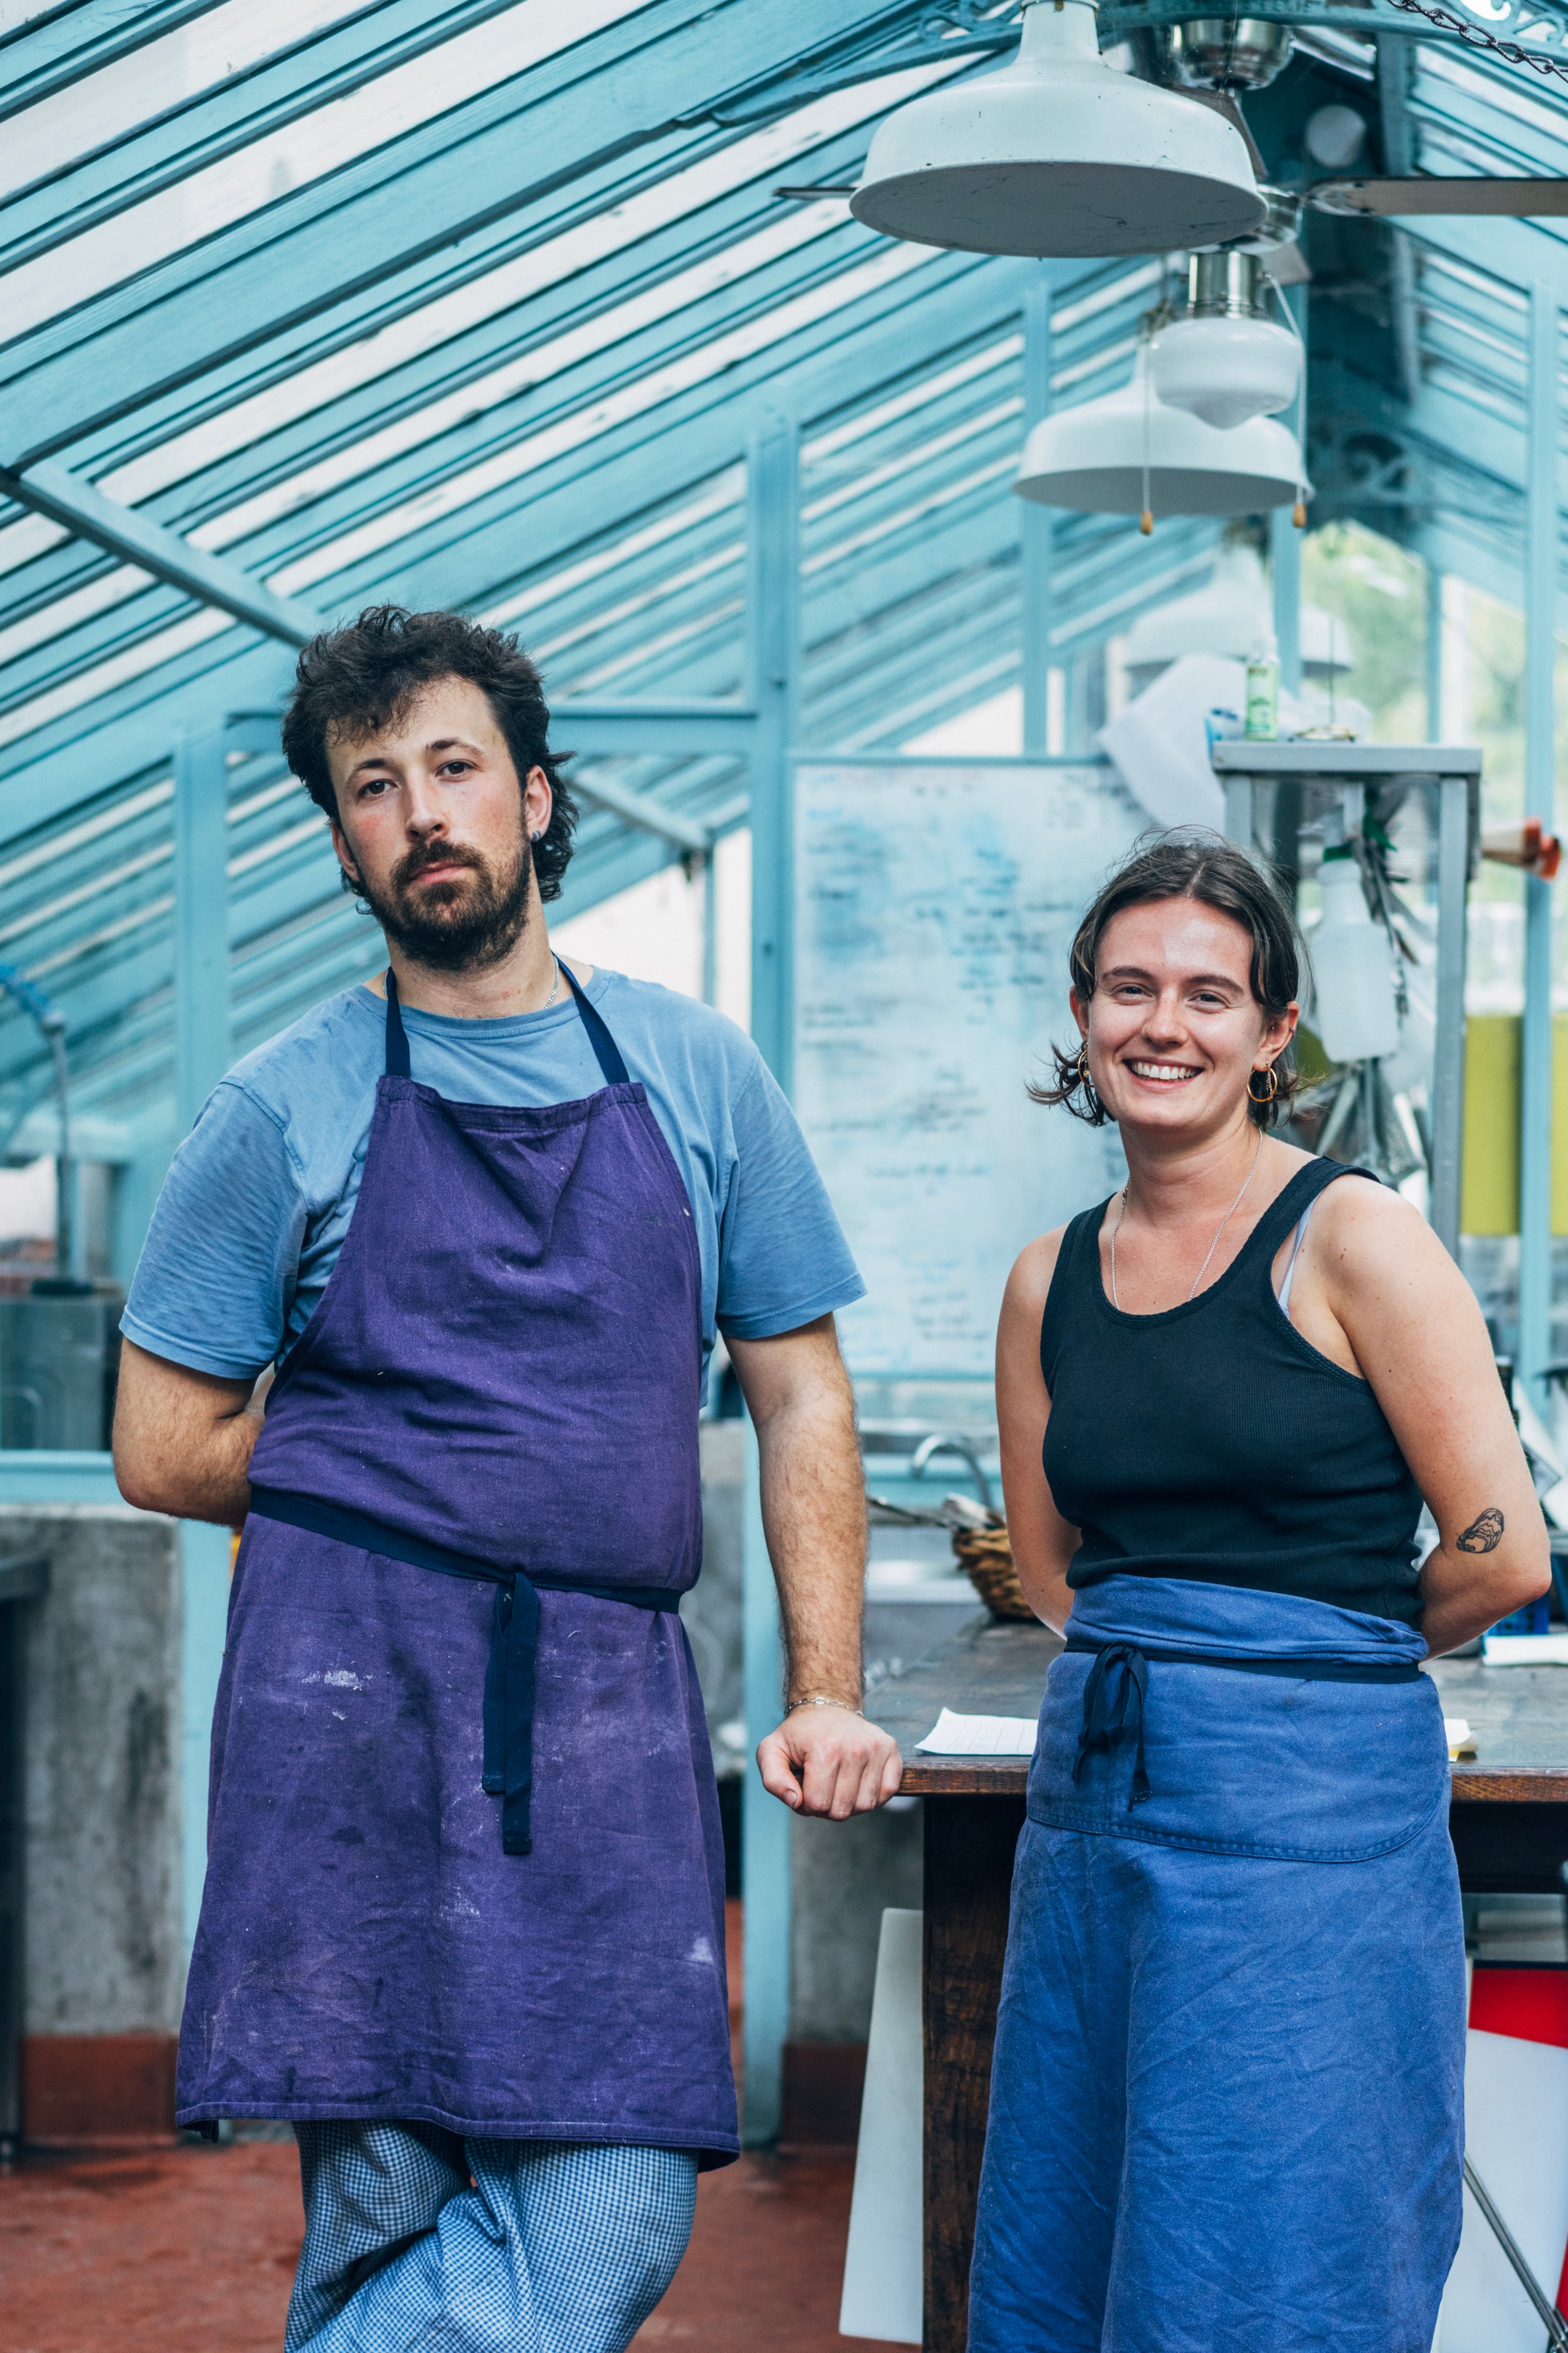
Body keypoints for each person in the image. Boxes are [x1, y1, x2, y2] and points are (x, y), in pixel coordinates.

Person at [112, 605, 900, 2352]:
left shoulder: (696, 1073)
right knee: (380, 2201)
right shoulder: (279, 1108)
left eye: (455, 769)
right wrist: (392, 1447)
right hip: (349, 1713)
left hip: (606, 1720)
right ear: (341, 841)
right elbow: (160, 1450)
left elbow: (800, 1394)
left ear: (539, 800)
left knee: (612, 2214)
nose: (422, 812)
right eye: (373, 786)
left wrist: (828, 1688)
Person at [967, 831, 1549, 2353]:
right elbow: (1049, 1572)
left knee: (1287, 2217)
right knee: (1077, 2195)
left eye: (1209, 995)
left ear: (1273, 1031)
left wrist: (1310, 1657)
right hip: (1097, 1797)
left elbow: (1504, 1550)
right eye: (1130, 988)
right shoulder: (1048, 1279)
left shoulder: (1357, 1237)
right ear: (1083, 1016)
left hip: (1312, 1807)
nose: (1165, 1025)